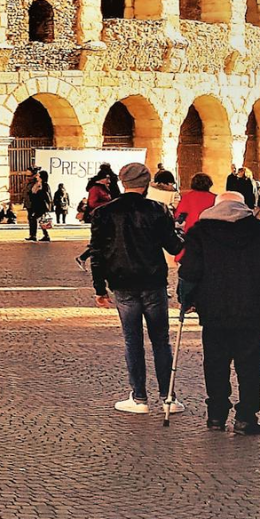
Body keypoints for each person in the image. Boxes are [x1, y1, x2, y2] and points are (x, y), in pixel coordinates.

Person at [177, 189, 260, 435]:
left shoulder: (200, 234)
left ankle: (216, 415)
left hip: (214, 310)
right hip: (253, 312)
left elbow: (190, 272)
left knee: (215, 363)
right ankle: (246, 417)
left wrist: (188, 300)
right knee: (250, 366)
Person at [88, 163, 185, 415]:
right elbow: (174, 247)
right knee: (160, 340)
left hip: (122, 282)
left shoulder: (104, 213)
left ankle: (139, 397)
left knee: (133, 340)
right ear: (147, 182)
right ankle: (168, 397)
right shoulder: (157, 209)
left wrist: (100, 288)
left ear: (122, 181)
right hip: (153, 281)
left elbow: (97, 254)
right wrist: (181, 232)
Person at [25, 171, 52, 242]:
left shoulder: (44, 185)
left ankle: (37, 235)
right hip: (36, 205)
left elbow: (46, 196)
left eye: (38, 175)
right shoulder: (37, 184)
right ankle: (43, 235)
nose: (37, 177)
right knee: (39, 220)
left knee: (36, 219)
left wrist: (38, 192)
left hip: (41, 205)